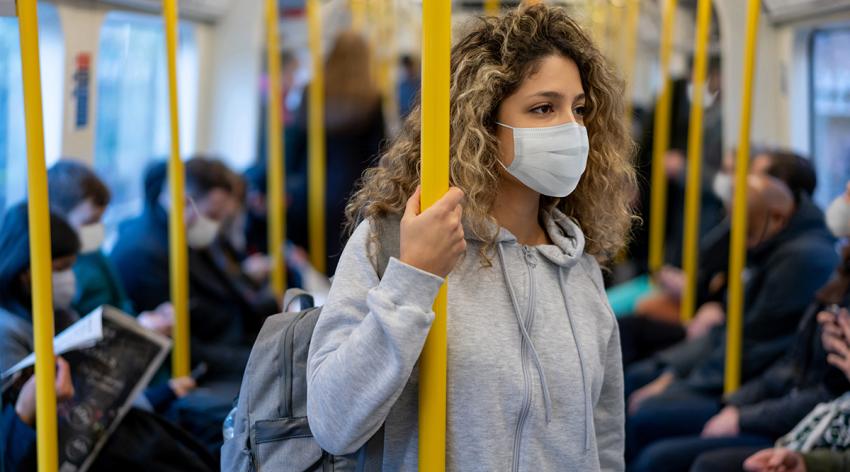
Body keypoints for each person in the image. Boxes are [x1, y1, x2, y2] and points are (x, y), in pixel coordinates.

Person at [307, 5, 634, 470]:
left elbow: (603, 442)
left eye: (579, 109)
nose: (571, 128)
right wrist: (413, 280)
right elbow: (333, 422)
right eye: (543, 108)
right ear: (482, 122)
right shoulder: (392, 246)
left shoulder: (578, 268)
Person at [626, 175, 838, 466]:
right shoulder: (781, 247)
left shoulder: (803, 260)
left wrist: (735, 408)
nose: (743, 241)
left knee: (652, 438)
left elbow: (755, 347)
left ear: (776, 218)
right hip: (761, 391)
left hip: (770, 402)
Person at [619, 149, 819, 365]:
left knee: (635, 323)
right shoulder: (736, 222)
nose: (738, 182)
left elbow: (749, 324)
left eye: (751, 174)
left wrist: (713, 303)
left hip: (718, 331)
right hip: (711, 319)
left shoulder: (787, 250)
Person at [111, 157, 273, 383]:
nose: (215, 226)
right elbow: (182, 349)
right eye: (213, 217)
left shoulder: (186, 234)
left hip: (230, 341)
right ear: (184, 203)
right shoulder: (143, 255)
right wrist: (259, 360)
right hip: (199, 369)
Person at [288, 30, 386, 275]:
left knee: (310, 266)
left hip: (311, 187)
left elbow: (295, 144)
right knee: (342, 263)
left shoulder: (312, 92)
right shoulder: (372, 98)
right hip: (352, 190)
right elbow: (377, 152)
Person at [47, 159, 173, 335]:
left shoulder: (96, 255)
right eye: (89, 222)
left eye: (99, 221)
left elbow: (120, 304)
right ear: (57, 218)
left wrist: (145, 320)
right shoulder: (57, 271)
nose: (97, 229)